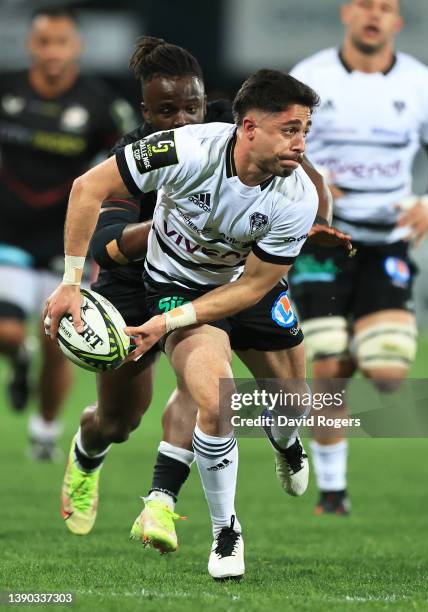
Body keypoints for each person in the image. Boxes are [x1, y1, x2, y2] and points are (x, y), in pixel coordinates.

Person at [45, 69, 322, 580]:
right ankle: (226, 533)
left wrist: (165, 323)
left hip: (246, 282)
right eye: (290, 130)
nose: (300, 143)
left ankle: (285, 438)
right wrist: (70, 282)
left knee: (295, 400)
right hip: (176, 282)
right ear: (249, 128)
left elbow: (253, 287)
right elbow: (88, 189)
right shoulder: (181, 151)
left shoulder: (296, 195)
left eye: (306, 130)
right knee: (212, 397)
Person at [288, 0, 428, 514]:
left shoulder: (421, 83)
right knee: (330, 364)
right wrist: (310, 179)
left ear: (397, 21)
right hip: (324, 239)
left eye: (385, 7)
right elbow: (278, 146)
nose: (374, 15)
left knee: (387, 375)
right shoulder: (310, 78)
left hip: (388, 240)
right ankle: (333, 493)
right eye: (365, 4)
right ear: (347, 12)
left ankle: (365, 332)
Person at [0, 5, 134, 459]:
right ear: (30, 45)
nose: (52, 51)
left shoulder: (100, 104)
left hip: (66, 242)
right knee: (8, 332)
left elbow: (126, 168)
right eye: (43, 42)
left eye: (61, 42)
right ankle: (18, 363)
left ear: (76, 46)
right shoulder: (7, 91)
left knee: (56, 340)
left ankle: (44, 431)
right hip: (9, 235)